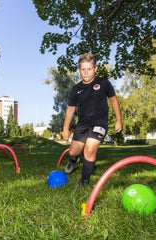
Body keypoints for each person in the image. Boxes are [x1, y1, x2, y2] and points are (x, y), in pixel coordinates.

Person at [62, 53, 122, 186]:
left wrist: (119, 120)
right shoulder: (76, 89)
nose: (86, 72)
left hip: (99, 123)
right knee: (73, 151)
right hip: (82, 124)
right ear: (79, 70)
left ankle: (84, 181)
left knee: (89, 149)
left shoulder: (103, 83)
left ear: (95, 68)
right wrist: (66, 128)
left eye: (89, 69)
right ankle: (74, 159)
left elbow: (114, 101)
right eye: (83, 69)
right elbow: (71, 109)